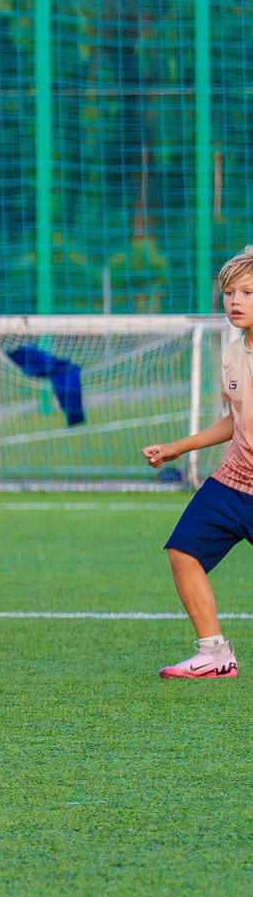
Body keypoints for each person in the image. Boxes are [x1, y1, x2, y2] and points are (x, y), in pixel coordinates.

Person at [141, 248, 253, 677]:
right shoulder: (230, 353)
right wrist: (178, 448)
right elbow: (234, 419)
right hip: (231, 482)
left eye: (246, 291)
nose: (235, 301)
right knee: (183, 551)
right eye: (229, 293)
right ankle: (215, 654)